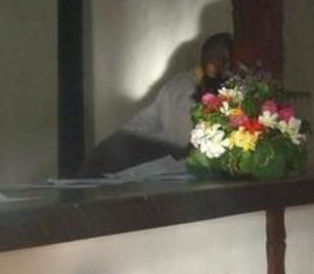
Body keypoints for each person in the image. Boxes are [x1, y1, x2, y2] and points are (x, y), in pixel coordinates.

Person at [77, 32, 234, 177]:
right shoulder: (184, 88)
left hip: (137, 160)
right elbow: (185, 143)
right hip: (118, 161)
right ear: (212, 64)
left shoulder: (205, 87)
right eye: (230, 64)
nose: (234, 71)